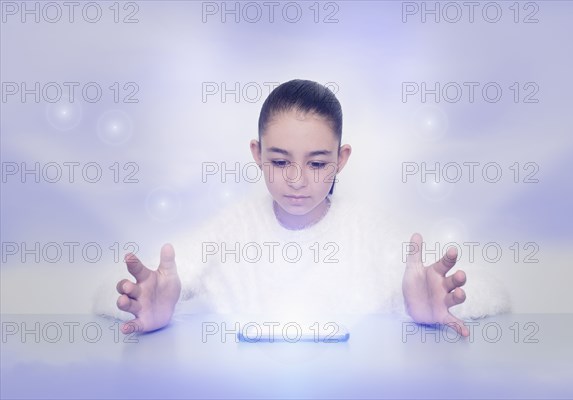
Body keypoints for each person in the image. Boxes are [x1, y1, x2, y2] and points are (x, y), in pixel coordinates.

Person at [96, 79, 510, 337]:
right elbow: (114, 293)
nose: (296, 179)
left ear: (341, 159)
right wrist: (151, 306)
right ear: (256, 154)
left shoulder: (371, 230)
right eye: (279, 161)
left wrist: (430, 309)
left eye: (316, 163)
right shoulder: (231, 228)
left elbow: (493, 295)